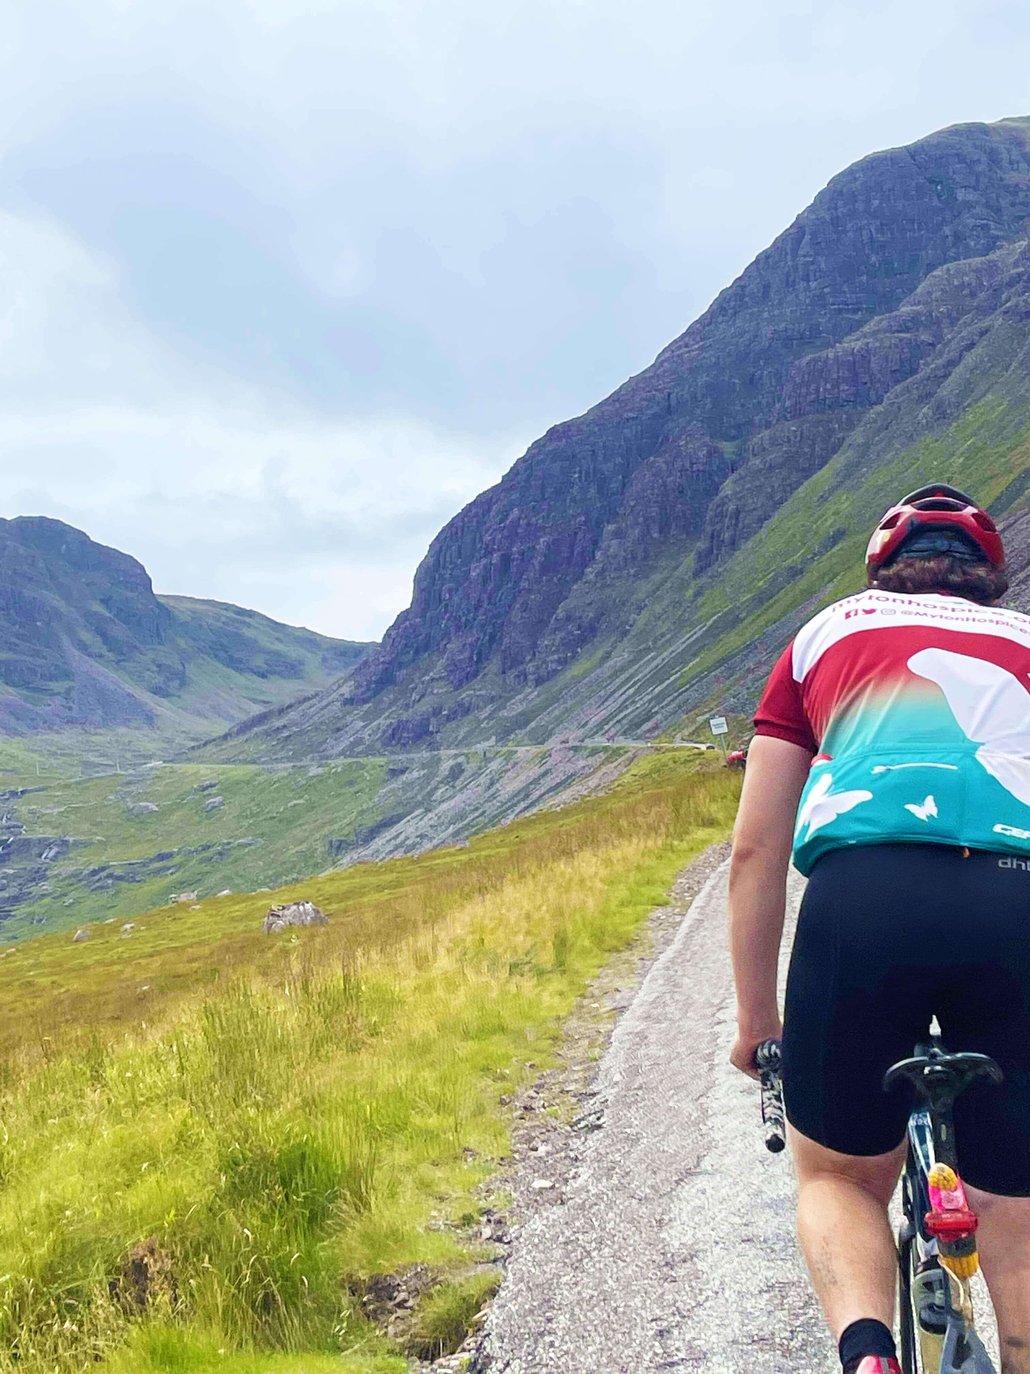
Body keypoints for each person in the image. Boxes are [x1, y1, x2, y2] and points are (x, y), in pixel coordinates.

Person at [727, 483, 1030, 1374]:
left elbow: (754, 850)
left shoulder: (823, 635)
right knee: (1018, 1208)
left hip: (863, 905)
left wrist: (757, 1023)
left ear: (881, 568)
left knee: (840, 1178)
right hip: (1016, 904)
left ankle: (868, 1357)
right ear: (990, 579)